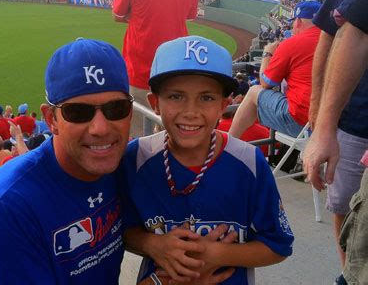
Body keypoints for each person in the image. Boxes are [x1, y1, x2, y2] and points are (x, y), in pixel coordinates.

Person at [121, 36, 294, 284]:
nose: (191, 112)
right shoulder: (136, 158)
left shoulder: (248, 161)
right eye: (176, 96)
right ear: (154, 103)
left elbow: (278, 245)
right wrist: (151, 242)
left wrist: (216, 253)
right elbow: (121, 230)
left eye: (207, 98)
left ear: (224, 105)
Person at [0, 38, 132, 283]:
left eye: (116, 108)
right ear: (51, 119)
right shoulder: (7, 207)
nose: (100, 128)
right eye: (78, 112)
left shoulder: (122, 165)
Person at [303, 0, 368, 284]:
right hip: (354, 117)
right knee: (345, 206)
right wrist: (321, 116)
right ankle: (349, 272)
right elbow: (336, 34)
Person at [229, 1, 322, 138]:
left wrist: (267, 54)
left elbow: (266, 82)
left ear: (298, 22)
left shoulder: (292, 43)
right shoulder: (333, 39)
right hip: (331, 123)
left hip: (303, 123)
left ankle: (228, 143)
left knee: (255, 91)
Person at [112, 0, 199, 108]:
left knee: (139, 126)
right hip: (175, 69)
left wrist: (139, 15)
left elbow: (118, 15)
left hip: (139, 70)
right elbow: (188, 16)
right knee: (169, 126)